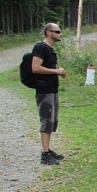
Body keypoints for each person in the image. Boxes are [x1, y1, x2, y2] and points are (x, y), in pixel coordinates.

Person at [31, 22, 67, 165]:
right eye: (57, 31)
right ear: (49, 33)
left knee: (52, 121)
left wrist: (58, 71)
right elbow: (35, 68)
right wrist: (56, 71)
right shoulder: (40, 47)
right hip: (44, 90)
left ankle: (48, 149)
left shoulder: (50, 49)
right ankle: (45, 154)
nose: (60, 34)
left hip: (52, 89)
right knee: (46, 121)